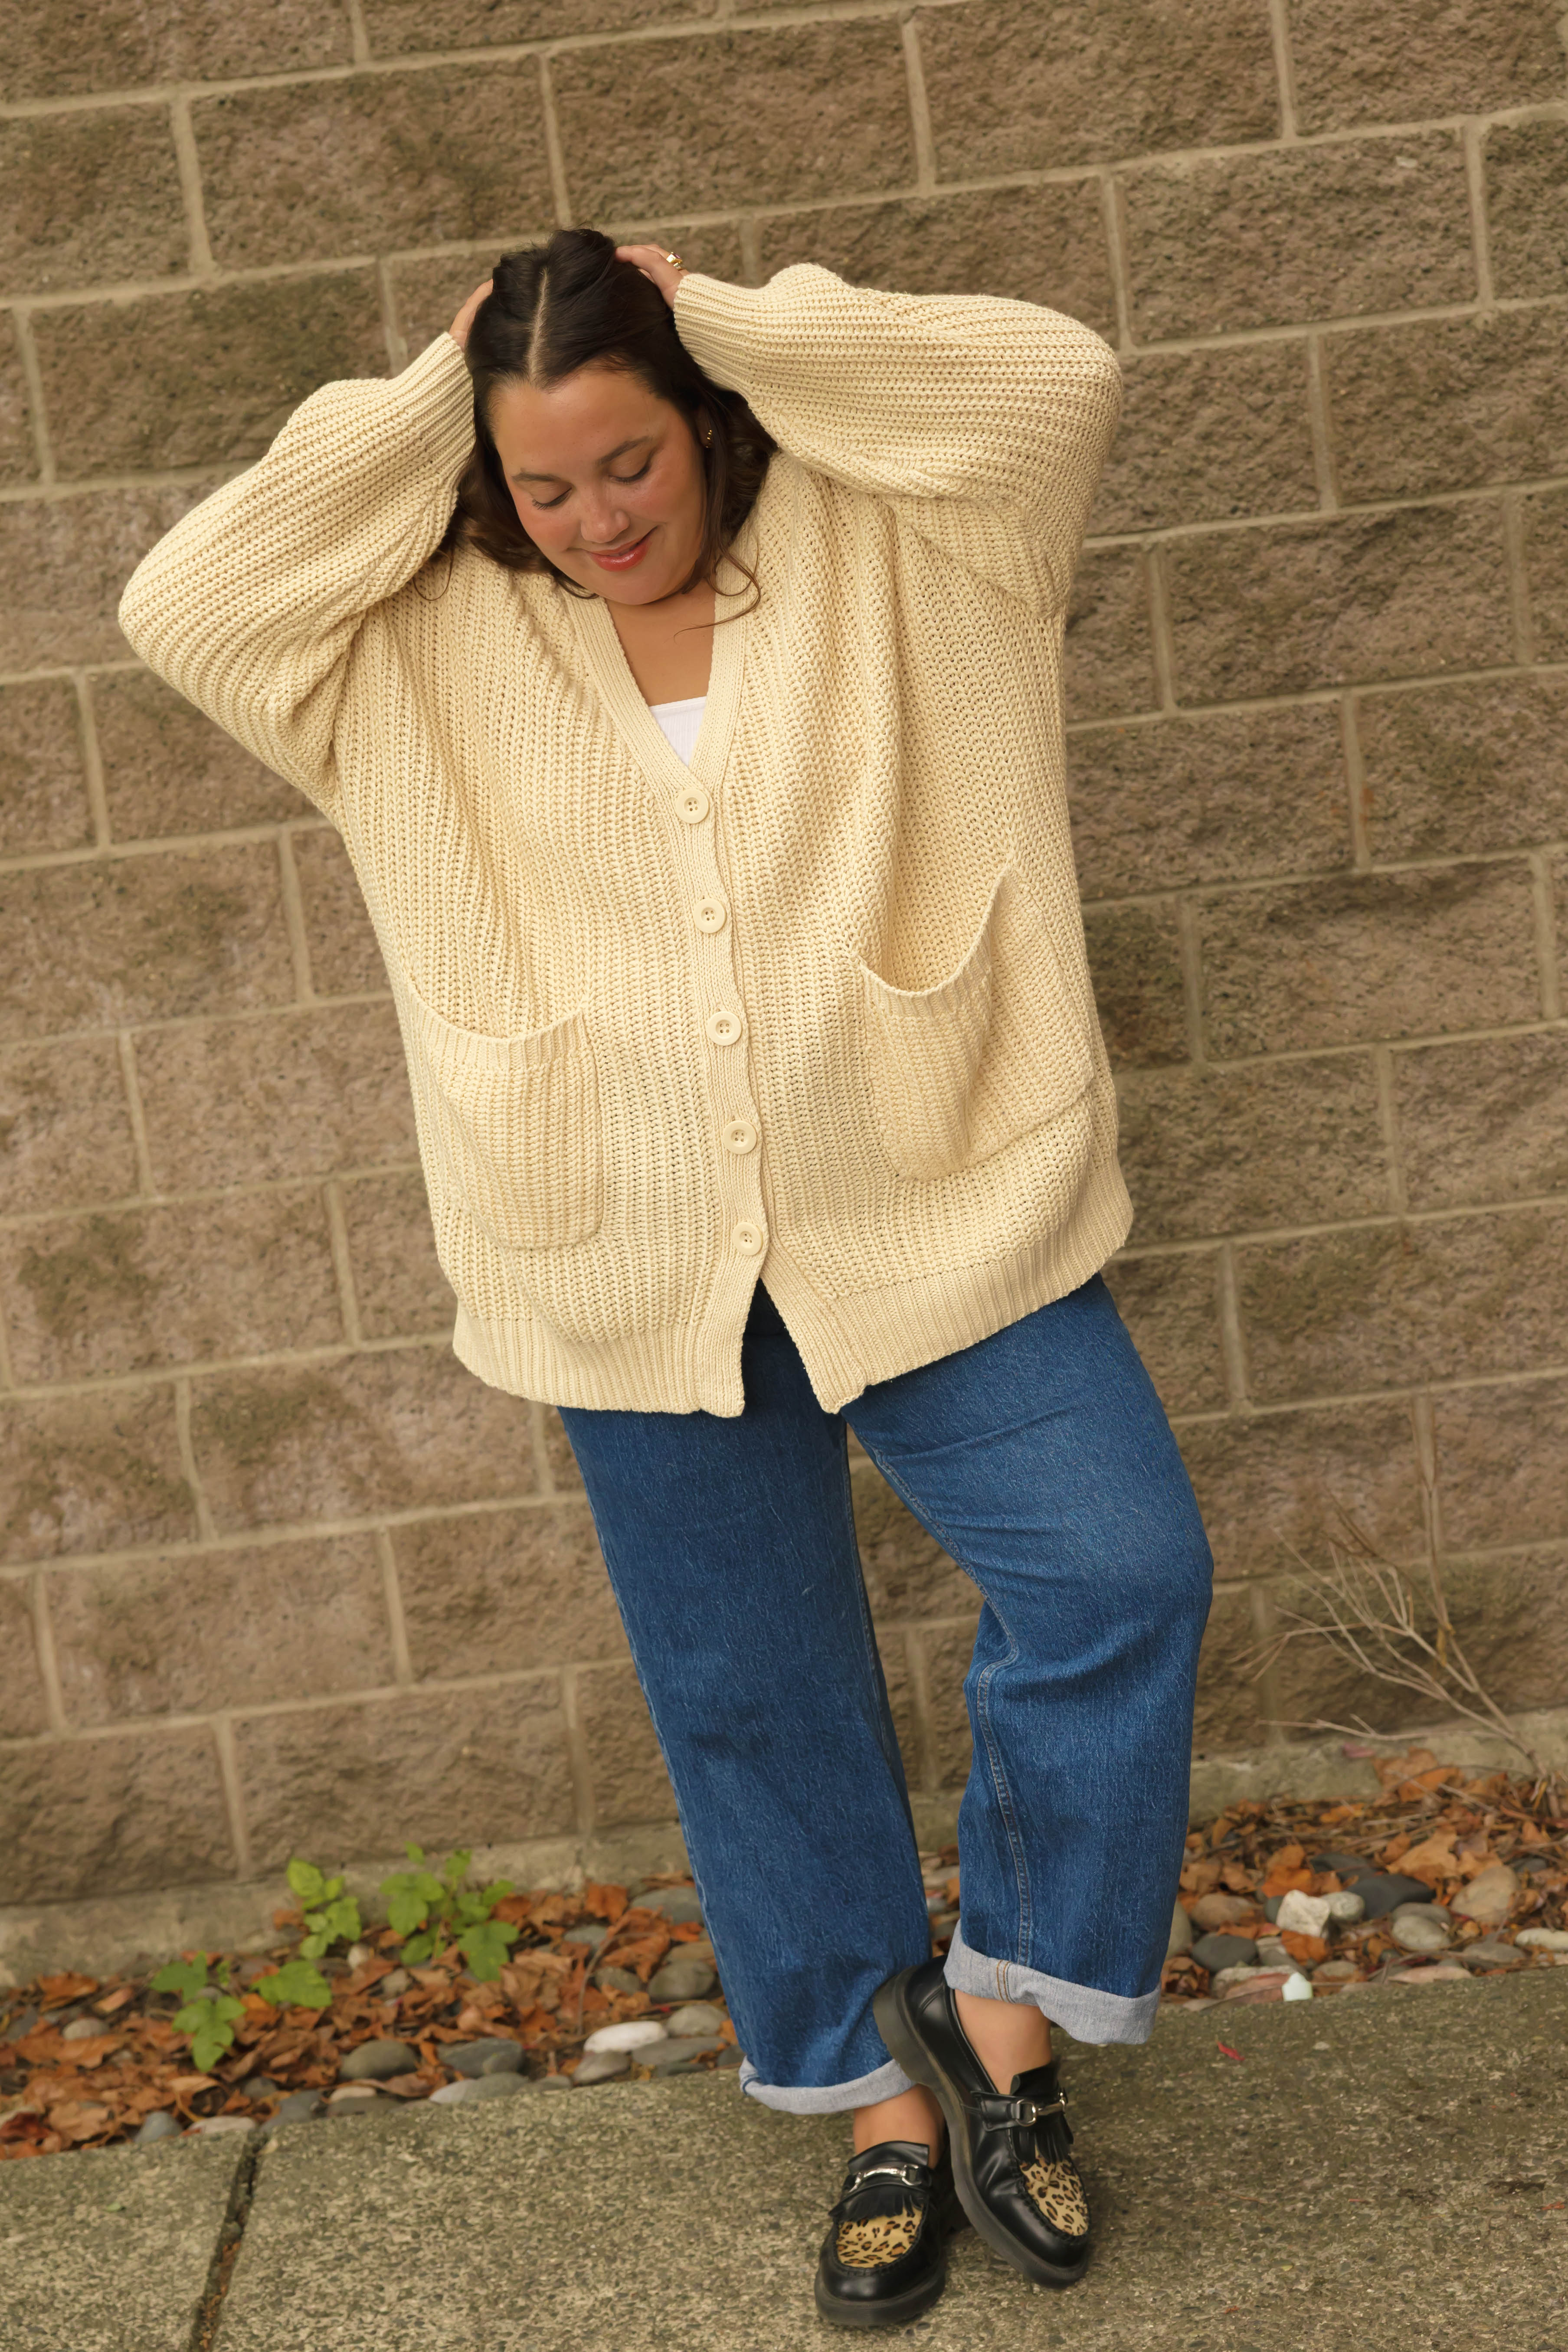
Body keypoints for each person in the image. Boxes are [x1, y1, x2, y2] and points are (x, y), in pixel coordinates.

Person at [119, 228, 1213, 2327]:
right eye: (545, 485)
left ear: (699, 421)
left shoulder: (912, 552)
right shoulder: (410, 641)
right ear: (488, 480)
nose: (599, 519)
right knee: (751, 1700)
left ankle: (999, 2041)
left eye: (631, 461)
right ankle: (877, 2117)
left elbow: (1053, 377)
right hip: (621, 1248)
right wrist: (429, 389)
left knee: (1117, 1572)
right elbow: (186, 603)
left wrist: (738, 314)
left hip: (937, 1203)